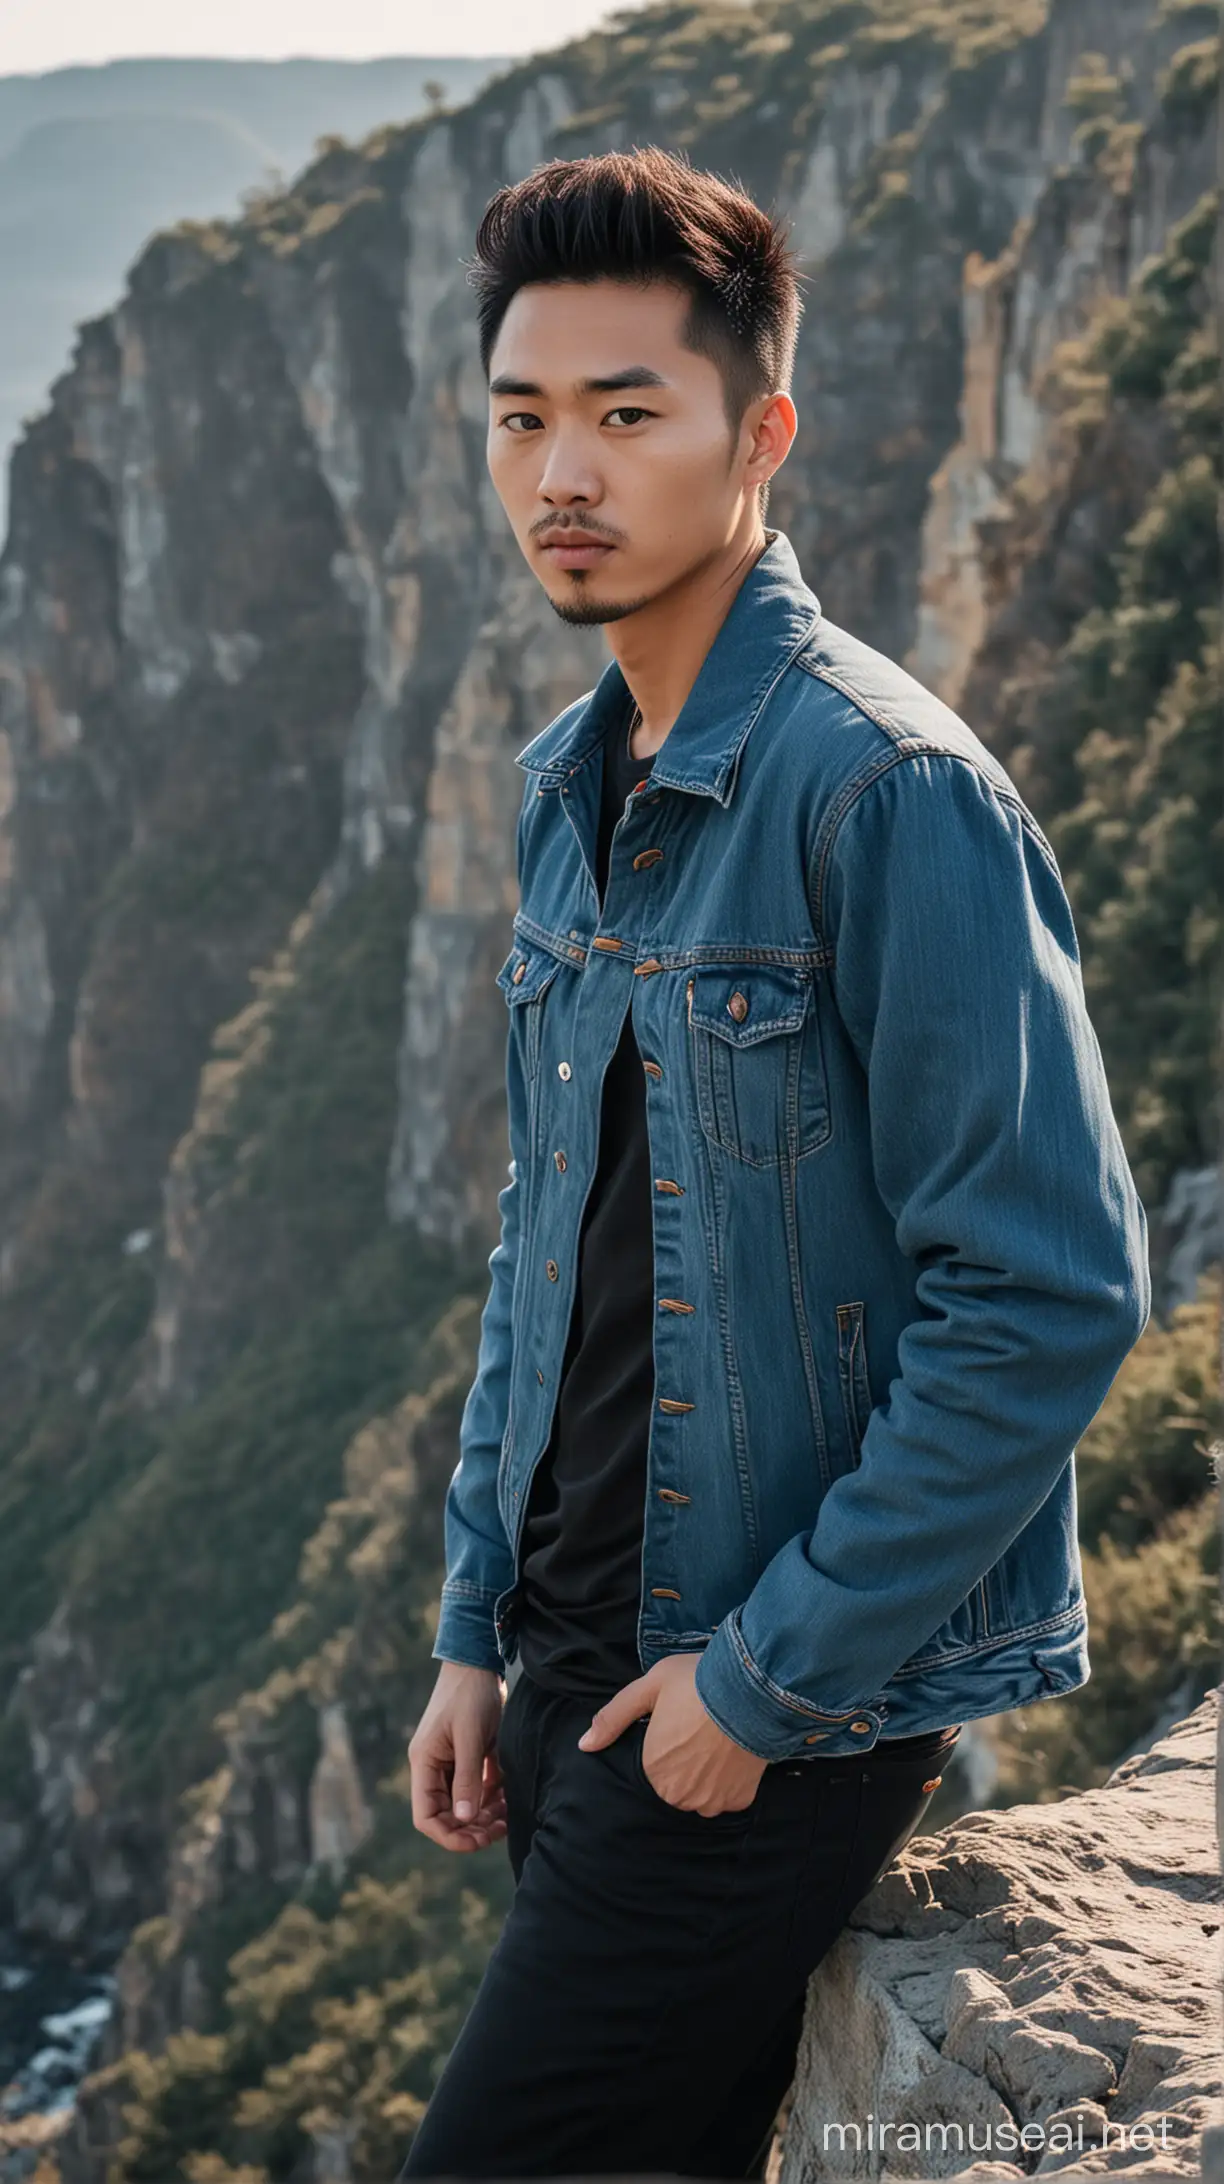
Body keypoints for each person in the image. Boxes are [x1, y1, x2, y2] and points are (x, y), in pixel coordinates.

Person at [399, 146, 1150, 2180]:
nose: (565, 469)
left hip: (758, 1705)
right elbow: (541, 1249)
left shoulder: (888, 791)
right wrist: (479, 1630)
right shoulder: (579, 788)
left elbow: (1051, 1291)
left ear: (763, 434)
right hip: (579, 1679)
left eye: (629, 414)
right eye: (523, 417)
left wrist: (761, 1679)